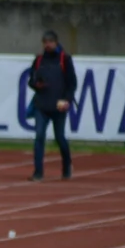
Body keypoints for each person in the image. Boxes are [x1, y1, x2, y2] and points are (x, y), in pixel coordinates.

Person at [26, 30, 77, 181]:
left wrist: (67, 100)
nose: (47, 45)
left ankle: (67, 165)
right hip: (42, 105)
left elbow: (72, 83)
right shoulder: (39, 60)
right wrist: (37, 84)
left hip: (59, 105)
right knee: (39, 136)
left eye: (50, 42)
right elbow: (31, 81)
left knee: (60, 137)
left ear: (56, 42)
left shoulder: (64, 59)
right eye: (45, 42)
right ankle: (38, 172)